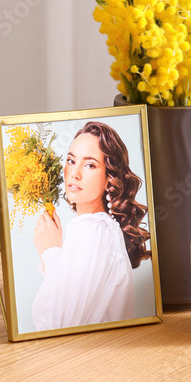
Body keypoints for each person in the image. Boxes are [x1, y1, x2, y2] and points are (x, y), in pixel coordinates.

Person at [31, 120, 151, 331]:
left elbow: (59, 325)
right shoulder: (98, 229)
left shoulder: (94, 229)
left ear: (109, 179)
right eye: (70, 161)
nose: (75, 173)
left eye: (90, 165)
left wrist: (51, 253)